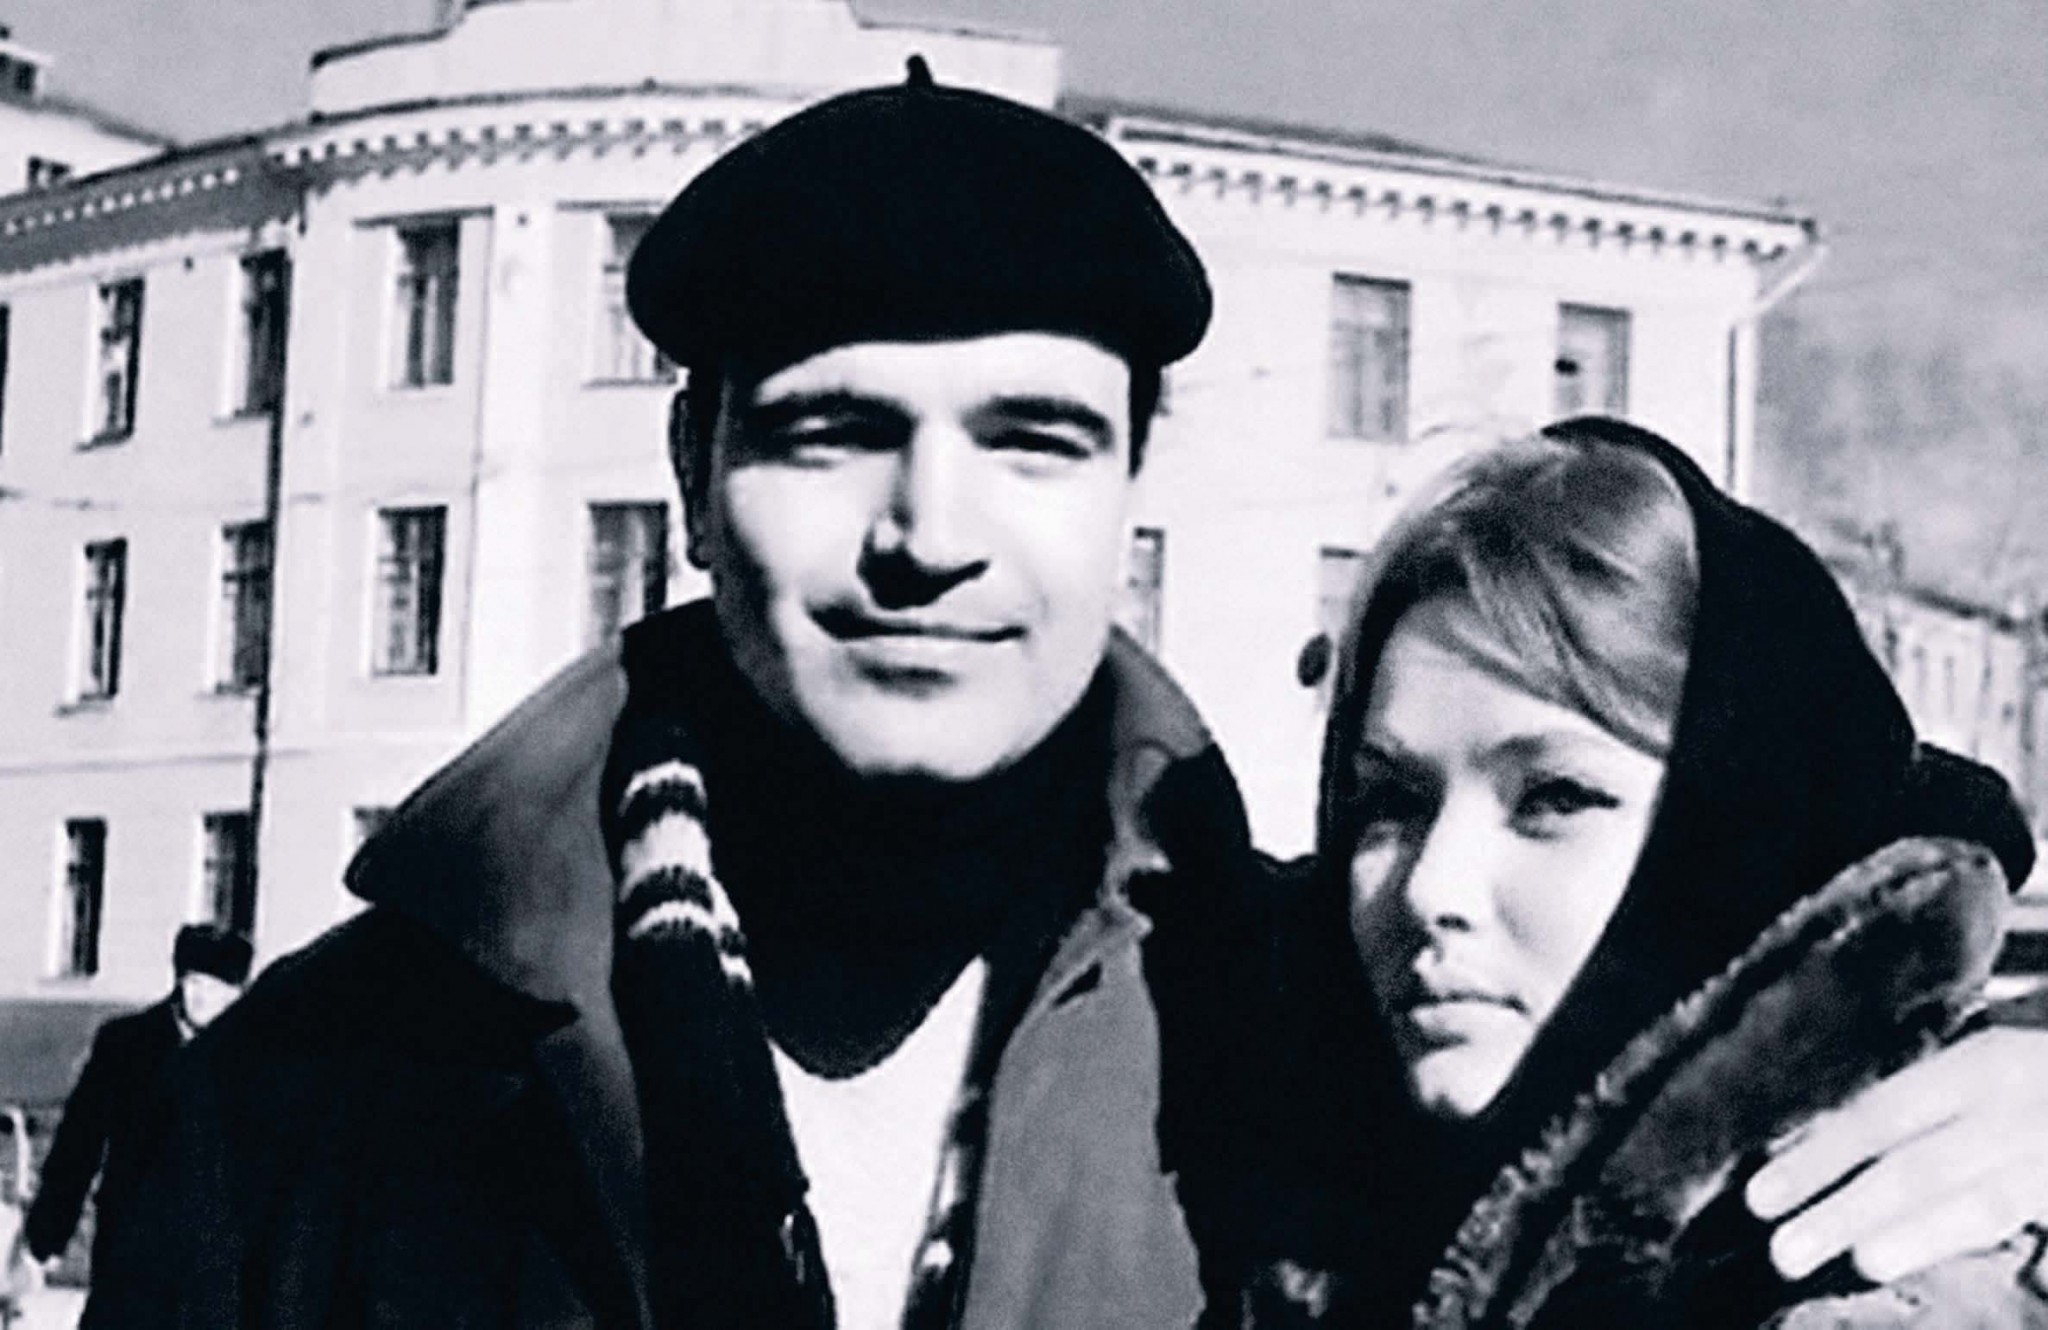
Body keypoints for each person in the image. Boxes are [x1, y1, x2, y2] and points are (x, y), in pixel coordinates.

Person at [116, 67, 2048, 1329]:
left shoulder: (1285, 1007)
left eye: (1031, 438)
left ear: (1130, 486)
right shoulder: (297, 1106)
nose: (928, 536)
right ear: (692, 472)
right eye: (831, 433)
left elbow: (1772, 887)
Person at [1227, 418, 2048, 1327]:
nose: (1429, 890)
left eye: (1555, 798)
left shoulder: (1889, 1287)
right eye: (1391, 803)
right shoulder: (1287, 1201)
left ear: (1738, 836)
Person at [25, 923, 249, 1326]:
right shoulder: (127, 1045)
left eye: (220, 989)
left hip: (212, 1259)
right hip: (131, 1249)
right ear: (179, 982)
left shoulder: (251, 1058)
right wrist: (46, 1239)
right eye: (195, 983)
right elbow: (79, 1145)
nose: (203, 998)